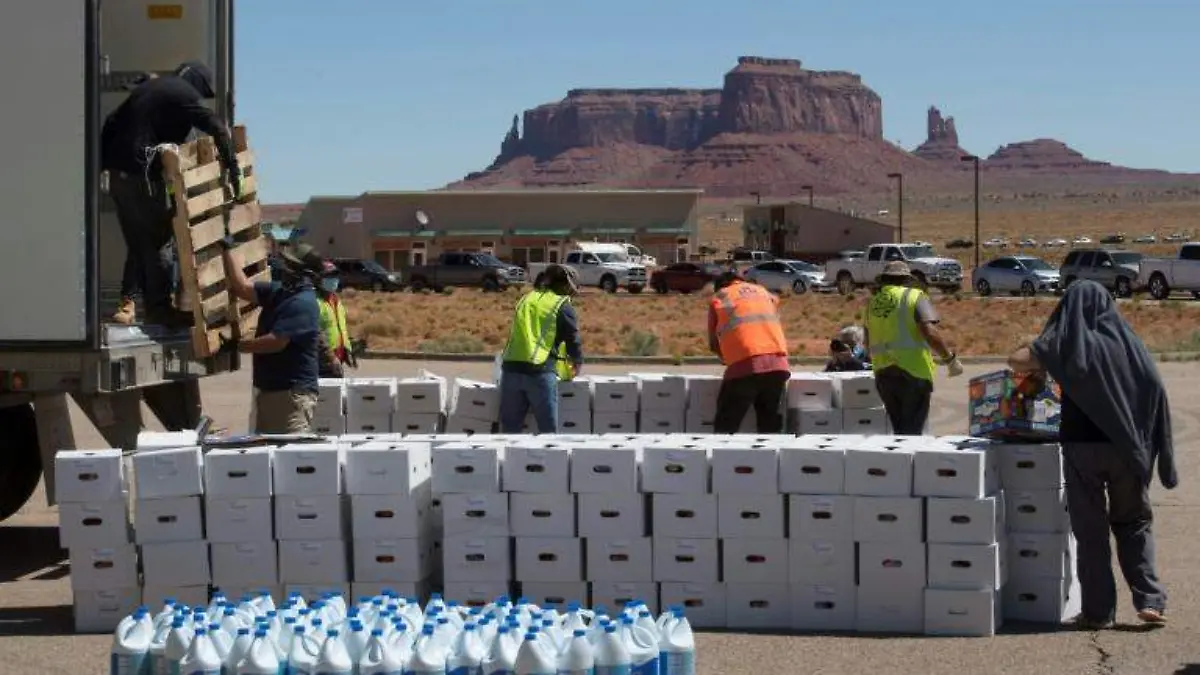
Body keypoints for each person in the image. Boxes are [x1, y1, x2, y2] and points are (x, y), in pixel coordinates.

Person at [1007, 280, 1176, 629]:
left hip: (1082, 449)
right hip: (1127, 450)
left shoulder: (1068, 342)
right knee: (1134, 524)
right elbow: (1154, 387)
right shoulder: (1128, 343)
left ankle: (1099, 612)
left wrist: (1041, 342)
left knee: (1091, 531)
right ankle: (1150, 601)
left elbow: (1016, 361)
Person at [102, 60, 240, 326]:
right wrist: (233, 167)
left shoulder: (151, 90)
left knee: (139, 242)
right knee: (160, 241)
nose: (200, 97)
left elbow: (111, 121)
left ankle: (131, 305)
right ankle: (159, 309)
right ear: (196, 81)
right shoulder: (182, 93)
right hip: (142, 175)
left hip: (119, 176)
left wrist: (103, 164)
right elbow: (218, 128)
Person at [219, 241, 322, 434]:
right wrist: (228, 250)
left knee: (288, 455)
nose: (284, 268)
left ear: (305, 274)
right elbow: (242, 287)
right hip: (271, 391)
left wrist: (238, 346)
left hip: (290, 395)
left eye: (290, 265)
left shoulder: (303, 303)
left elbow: (276, 342)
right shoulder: (280, 292)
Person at [863, 261, 963, 434]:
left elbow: (867, 342)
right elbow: (929, 332)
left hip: (883, 374)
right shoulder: (914, 296)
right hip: (912, 372)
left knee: (900, 431)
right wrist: (949, 359)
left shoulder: (872, 303)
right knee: (912, 434)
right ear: (906, 279)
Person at [498, 265, 584, 434]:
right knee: (548, 436)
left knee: (508, 435)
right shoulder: (561, 305)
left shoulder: (526, 299)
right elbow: (572, 339)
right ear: (567, 285)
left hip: (510, 370)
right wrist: (577, 362)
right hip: (540, 372)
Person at [708, 271, 791, 434]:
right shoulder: (763, 292)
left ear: (720, 287)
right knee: (769, 429)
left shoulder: (720, 297)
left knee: (725, 428)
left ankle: (724, 459)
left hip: (744, 366)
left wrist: (728, 359)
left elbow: (713, 345)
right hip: (778, 365)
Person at [316, 263, 356, 378]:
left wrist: (347, 350)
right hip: (323, 362)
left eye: (335, 276)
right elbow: (316, 334)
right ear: (319, 279)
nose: (333, 280)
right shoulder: (315, 302)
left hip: (337, 359)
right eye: (328, 276)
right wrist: (331, 357)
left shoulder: (336, 300)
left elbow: (340, 327)